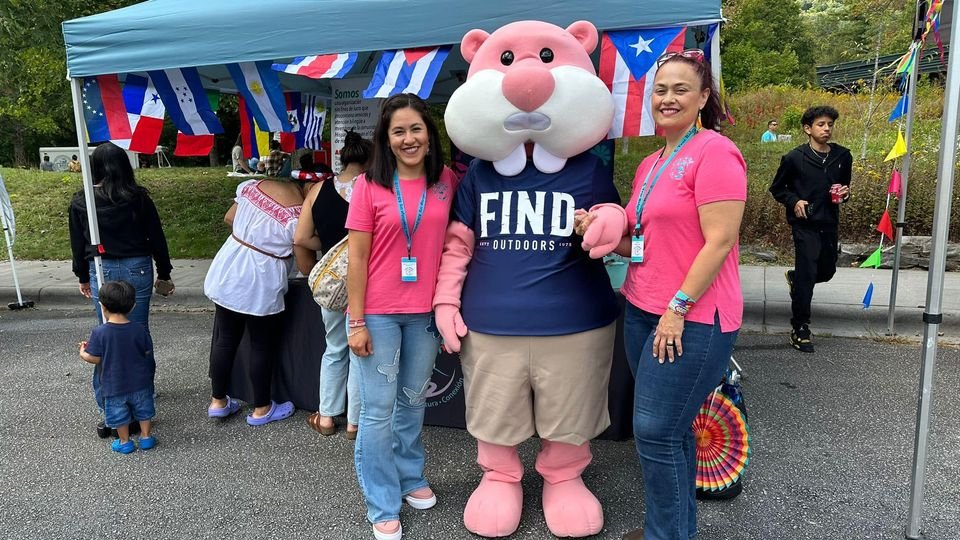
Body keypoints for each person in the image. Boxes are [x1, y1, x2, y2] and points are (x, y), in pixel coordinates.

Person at [579, 49, 746, 540]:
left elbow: (719, 240)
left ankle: (665, 535)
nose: (667, 98)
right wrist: (601, 229)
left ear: (702, 98)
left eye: (680, 89)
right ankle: (671, 530)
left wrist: (676, 309)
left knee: (654, 432)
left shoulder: (716, 151)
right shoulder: (652, 162)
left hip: (690, 319)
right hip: (641, 308)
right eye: (660, 89)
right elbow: (647, 241)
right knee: (670, 431)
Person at [345, 94, 458, 540]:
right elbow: (357, 260)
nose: (408, 139)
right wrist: (356, 322)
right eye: (398, 131)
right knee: (376, 411)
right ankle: (381, 501)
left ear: (429, 136)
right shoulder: (369, 187)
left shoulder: (445, 180)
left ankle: (410, 477)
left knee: (413, 402)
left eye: (415, 129)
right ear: (386, 139)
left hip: (425, 313)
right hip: (378, 314)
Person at [68, 142, 174, 438]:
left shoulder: (83, 201)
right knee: (138, 333)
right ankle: (143, 400)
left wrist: (82, 275)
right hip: (138, 265)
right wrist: (163, 271)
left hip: (101, 268)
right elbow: (157, 236)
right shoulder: (139, 199)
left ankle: (111, 409)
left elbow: (78, 243)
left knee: (107, 336)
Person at [203, 174, 306, 425]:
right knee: (261, 344)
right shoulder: (299, 214)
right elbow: (303, 254)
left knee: (225, 338)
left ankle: (218, 401)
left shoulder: (252, 188)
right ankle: (262, 407)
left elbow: (230, 217)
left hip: (230, 265)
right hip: (262, 276)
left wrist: (253, 232)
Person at [294, 130, 372, 440]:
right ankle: (354, 422)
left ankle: (326, 416)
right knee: (359, 352)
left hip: (333, 287)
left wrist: (324, 254)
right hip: (368, 282)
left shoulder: (317, 190)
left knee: (335, 348)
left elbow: (300, 238)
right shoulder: (374, 188)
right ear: (370, 160)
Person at [769, 105, 851, 353]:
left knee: (826, 271)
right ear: (808, 129)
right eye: (821, 125)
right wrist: (794, 201)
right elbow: (778, 188)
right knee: (807, 275)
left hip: (829, 222)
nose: (826, 129)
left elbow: (845, 187)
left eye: (830, 125)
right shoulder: (794, 158)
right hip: (805, 224)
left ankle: (796, 279)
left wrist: (845, 194)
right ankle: (800, 327)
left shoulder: (842, 156)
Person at [79, 280, 157, 454]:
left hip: (114, 385)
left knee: (119, 415)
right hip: (140, 382)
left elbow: (95, 358)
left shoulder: (100, 333)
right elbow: (147, 352)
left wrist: (83, 353)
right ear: (134, 306)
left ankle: (124, 442)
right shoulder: (139, 329)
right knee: (144, 411)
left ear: (102, 306)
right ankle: (146, 438)